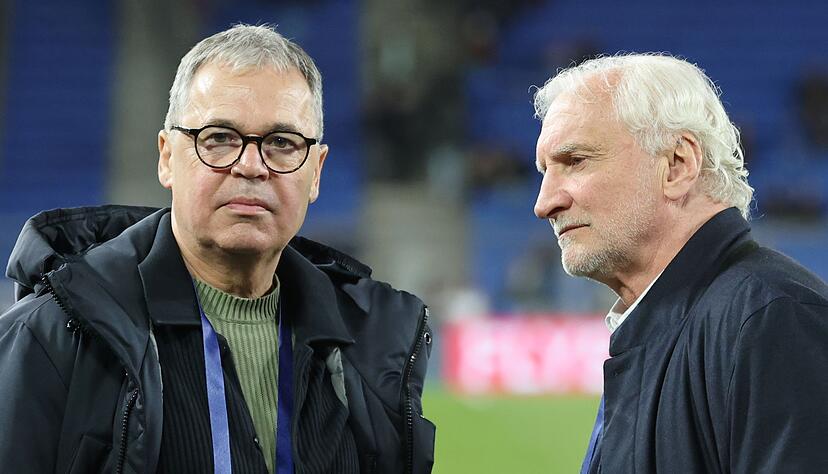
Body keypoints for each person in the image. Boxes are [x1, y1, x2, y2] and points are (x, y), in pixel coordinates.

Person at [0, 24, 435, 474]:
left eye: (282, 143)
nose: (251, 166)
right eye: (220, 139)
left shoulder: (372, 347)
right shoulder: (50, 337)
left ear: (316, 171)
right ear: (167, 157)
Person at [532, 53, 828, 473]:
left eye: (575, 161)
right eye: (544, 171)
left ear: (676, 165)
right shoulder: (661, 327)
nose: (545, 204)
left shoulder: (772, 320)